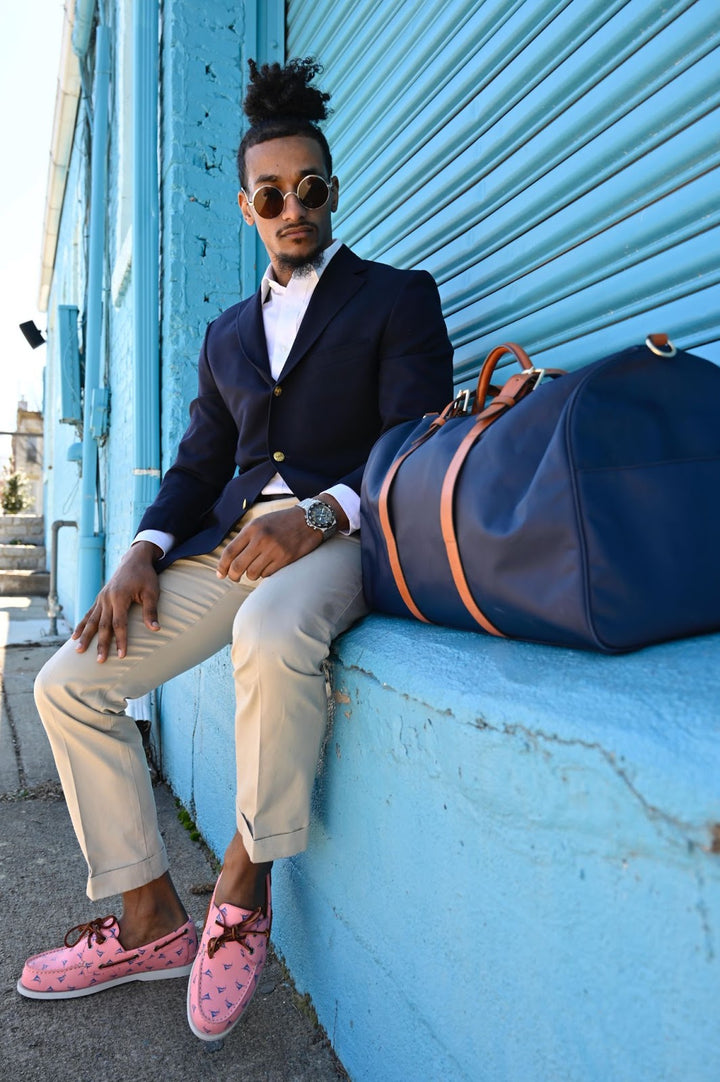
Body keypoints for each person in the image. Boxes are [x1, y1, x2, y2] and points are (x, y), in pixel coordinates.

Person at [18, 57, 453, 1041]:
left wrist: (322, 514)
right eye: (272, 194)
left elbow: (415, 438)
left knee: (269, 628)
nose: (293, 207)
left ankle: (244, 887)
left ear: (332, 193)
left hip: (339, 541)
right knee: (67, 681)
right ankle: (150, 917)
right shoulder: (225, 335)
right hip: (224, 549)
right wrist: (141, 548)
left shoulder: (395, 299)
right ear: (247, 206)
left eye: (311, 189)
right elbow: (196, 460)